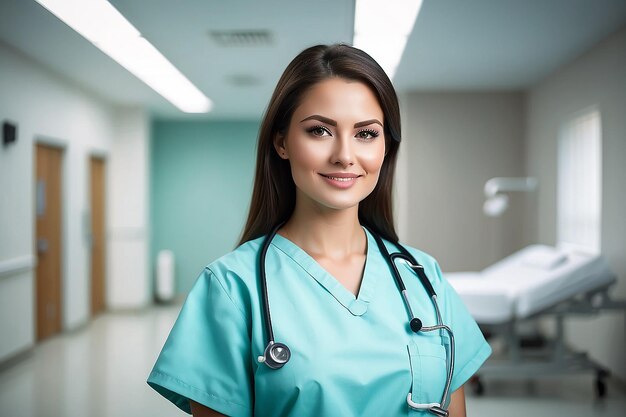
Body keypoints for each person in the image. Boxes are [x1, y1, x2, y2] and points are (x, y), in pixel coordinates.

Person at [147, 43, 491, 417]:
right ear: (282, 142)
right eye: (319, 130)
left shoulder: (425, 277)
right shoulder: (231, 287)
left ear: (386, 148)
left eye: (366, 134)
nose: (344, 155)